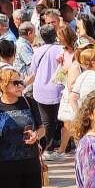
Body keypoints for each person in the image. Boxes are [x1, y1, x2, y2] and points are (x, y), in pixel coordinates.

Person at [30, 24, 66, 156]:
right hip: (58, 88)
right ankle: (62, 145)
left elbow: (33, 71)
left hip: (40, 89)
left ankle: (47, 147)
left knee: (46, 120)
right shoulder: (61, 50)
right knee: (61, 119)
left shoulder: (37, 51)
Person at [72, 48, 95, 113]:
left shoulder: (81, 76)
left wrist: (78, 114)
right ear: (93, 63)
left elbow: (73, 97)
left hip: (84, 113)